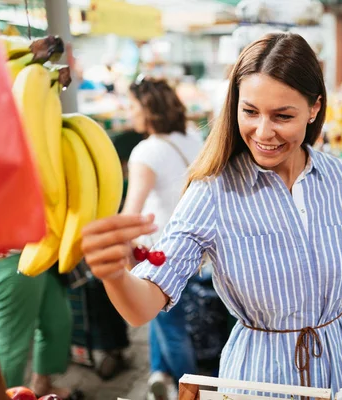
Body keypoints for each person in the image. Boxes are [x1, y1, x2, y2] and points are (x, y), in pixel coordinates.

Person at [80, 33, 342, 395]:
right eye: (250, 111)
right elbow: (144, 306)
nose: (262, 131)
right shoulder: (213, 192)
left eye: (283, 116)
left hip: (336, 374)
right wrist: (114, 273)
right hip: (258, 380)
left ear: (314, 109)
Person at [124, 76, 203, 400]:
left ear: (148, 108)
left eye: (132, 105)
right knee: (163, 320)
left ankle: (191, 392)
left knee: (172, 330)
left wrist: (123, 248)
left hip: (161, 254)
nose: (129, 113)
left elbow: (132, 213)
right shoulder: (192, 136)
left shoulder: (146, 151)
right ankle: (160, 375)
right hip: (194, 246)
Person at [0, 257, 76, 399]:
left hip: (40, 251)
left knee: (58, 321)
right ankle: (5, 395)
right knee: (12, 343)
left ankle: (42, 385)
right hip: (10, 258)